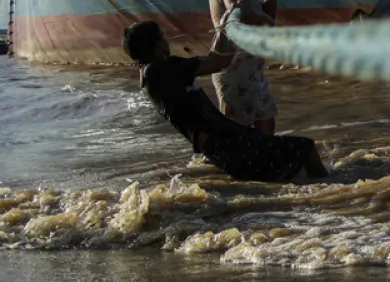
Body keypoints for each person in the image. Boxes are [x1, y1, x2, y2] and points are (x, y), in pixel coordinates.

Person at [122, 21, 327, 182]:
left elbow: (215, 61)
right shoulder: (165, 69)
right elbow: (218, 62)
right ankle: (331, 189)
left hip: (222, 148)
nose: (167, 41)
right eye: (163, 37)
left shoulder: (153, 74)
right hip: (226, 145)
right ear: (157, 44)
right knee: (306, 148)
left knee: (284, 170)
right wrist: (225, 27)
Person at [195, 0, 280, 135]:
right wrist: (263, 21)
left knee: (263, 122)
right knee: (239, 132)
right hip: (236, 70)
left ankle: (263, 162)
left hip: (250, 71)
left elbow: (268, 14)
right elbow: (234, 6)